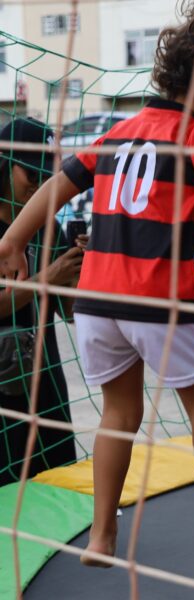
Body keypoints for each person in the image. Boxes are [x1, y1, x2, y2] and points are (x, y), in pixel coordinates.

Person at [0, 2, 194, 564]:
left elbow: (59, 185)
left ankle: (101, 535)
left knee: (118, 414)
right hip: (159, 301)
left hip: (97, 305)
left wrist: (12, 239)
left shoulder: (120, 131)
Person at [0, 117, 85, 486]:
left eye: (46, 175)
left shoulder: (48, 227)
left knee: (58, 487)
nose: (38, 184)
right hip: (5, 391)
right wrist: (47, 278)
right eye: (31, 172)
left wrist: (81, 272)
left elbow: (70, 314)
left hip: (47, 384)